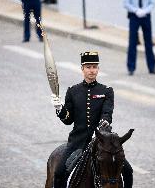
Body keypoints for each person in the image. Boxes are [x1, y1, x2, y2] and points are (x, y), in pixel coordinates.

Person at [51, 52, 134, 188]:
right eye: (88, 67)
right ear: (82, 69)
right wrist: (60, 109)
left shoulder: (106, 91)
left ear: (98, 69)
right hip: (78, 142)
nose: (92, 70)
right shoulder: (73, 91)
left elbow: (107, 113)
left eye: (94, 67)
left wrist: (103, 124)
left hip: (103, 142)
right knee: (59, 173)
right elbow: (68, 120)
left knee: (128, 171)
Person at [123, 0, 155, 76]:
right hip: (134, 16)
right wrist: (136, 10)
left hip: (146, 16)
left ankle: (152, 67)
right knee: (132, 42)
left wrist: (145, 11)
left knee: (148, 42)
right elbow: (126, 4)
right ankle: (131, 68)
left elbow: (152, 3)